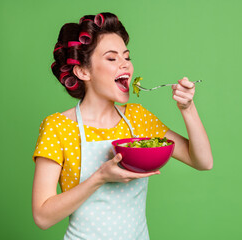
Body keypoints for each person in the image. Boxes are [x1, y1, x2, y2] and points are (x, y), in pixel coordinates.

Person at [32, 12, 213, 240]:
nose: (125, 65)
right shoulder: (57, 127)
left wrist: (188, 109)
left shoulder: (138, 118)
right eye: (111, 58)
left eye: (127, 57)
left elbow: (203, 161)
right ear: (83, 71)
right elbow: (42, 217)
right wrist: (100, 177)